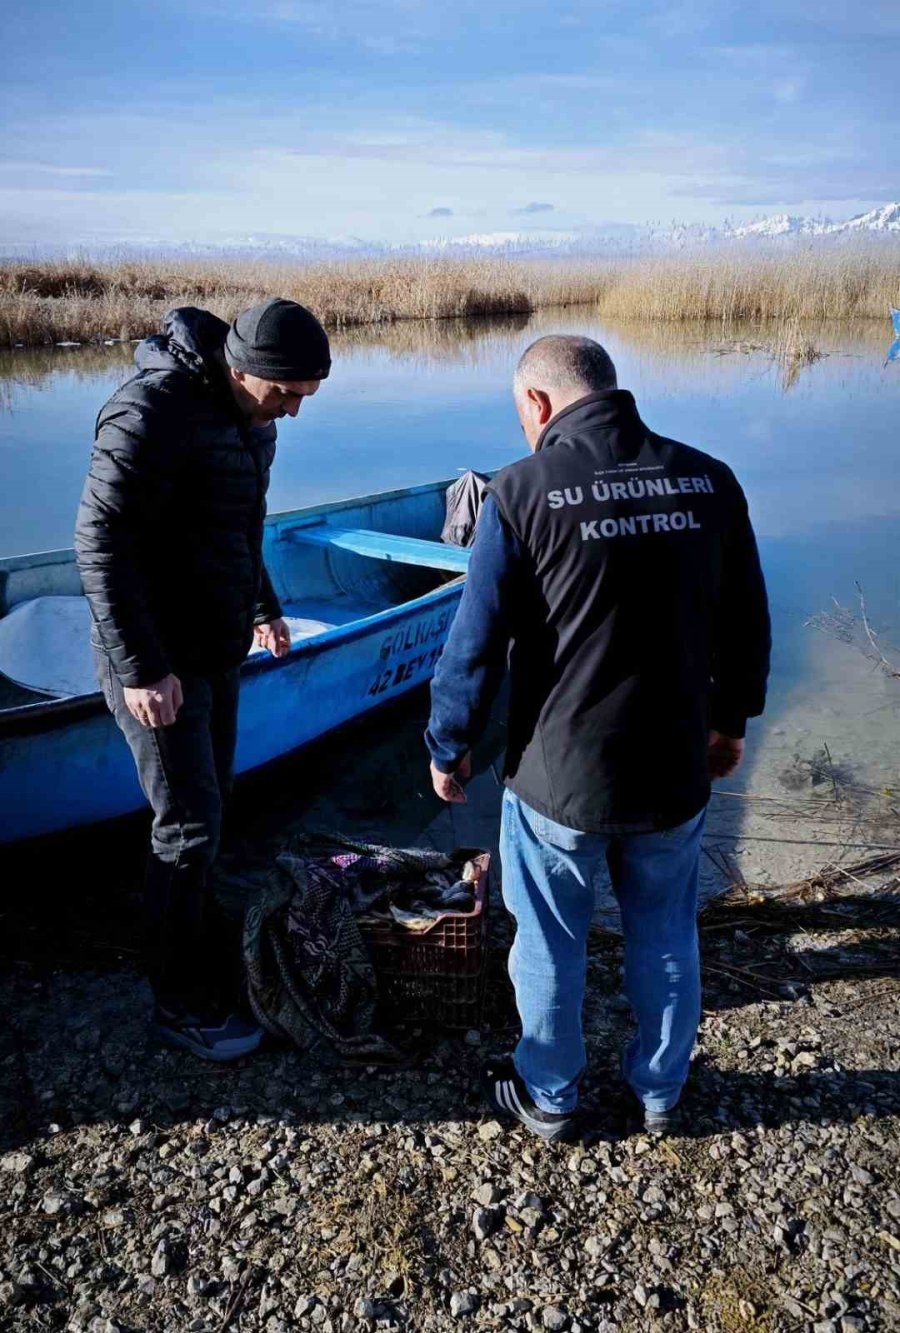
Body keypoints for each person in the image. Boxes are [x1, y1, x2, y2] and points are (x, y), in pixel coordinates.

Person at [426, 335, 770, 1139]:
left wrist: (450, 744)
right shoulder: (711, 479)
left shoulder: (520, 491)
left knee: (549, 937)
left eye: (524, 416)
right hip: (674, 766)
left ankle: (549, 1092)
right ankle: (660, 1091)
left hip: (560, 778)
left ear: (539, 405)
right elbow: (747, 624)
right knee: (665, 928)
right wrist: (731, 723)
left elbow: (474, 645)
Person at [75, 298, 330, 1061]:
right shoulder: (149, 410)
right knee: (184, 830)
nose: (290, 412)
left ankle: (200, 951)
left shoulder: (257, 423)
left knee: (212, 809)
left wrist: (264, 605)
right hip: (156, 658)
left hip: (217, 648)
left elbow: (240, 524)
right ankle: (177, 1004)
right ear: (241, 367)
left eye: (303, 398)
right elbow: (99, 541)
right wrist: (142, 668)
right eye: (283, 394)